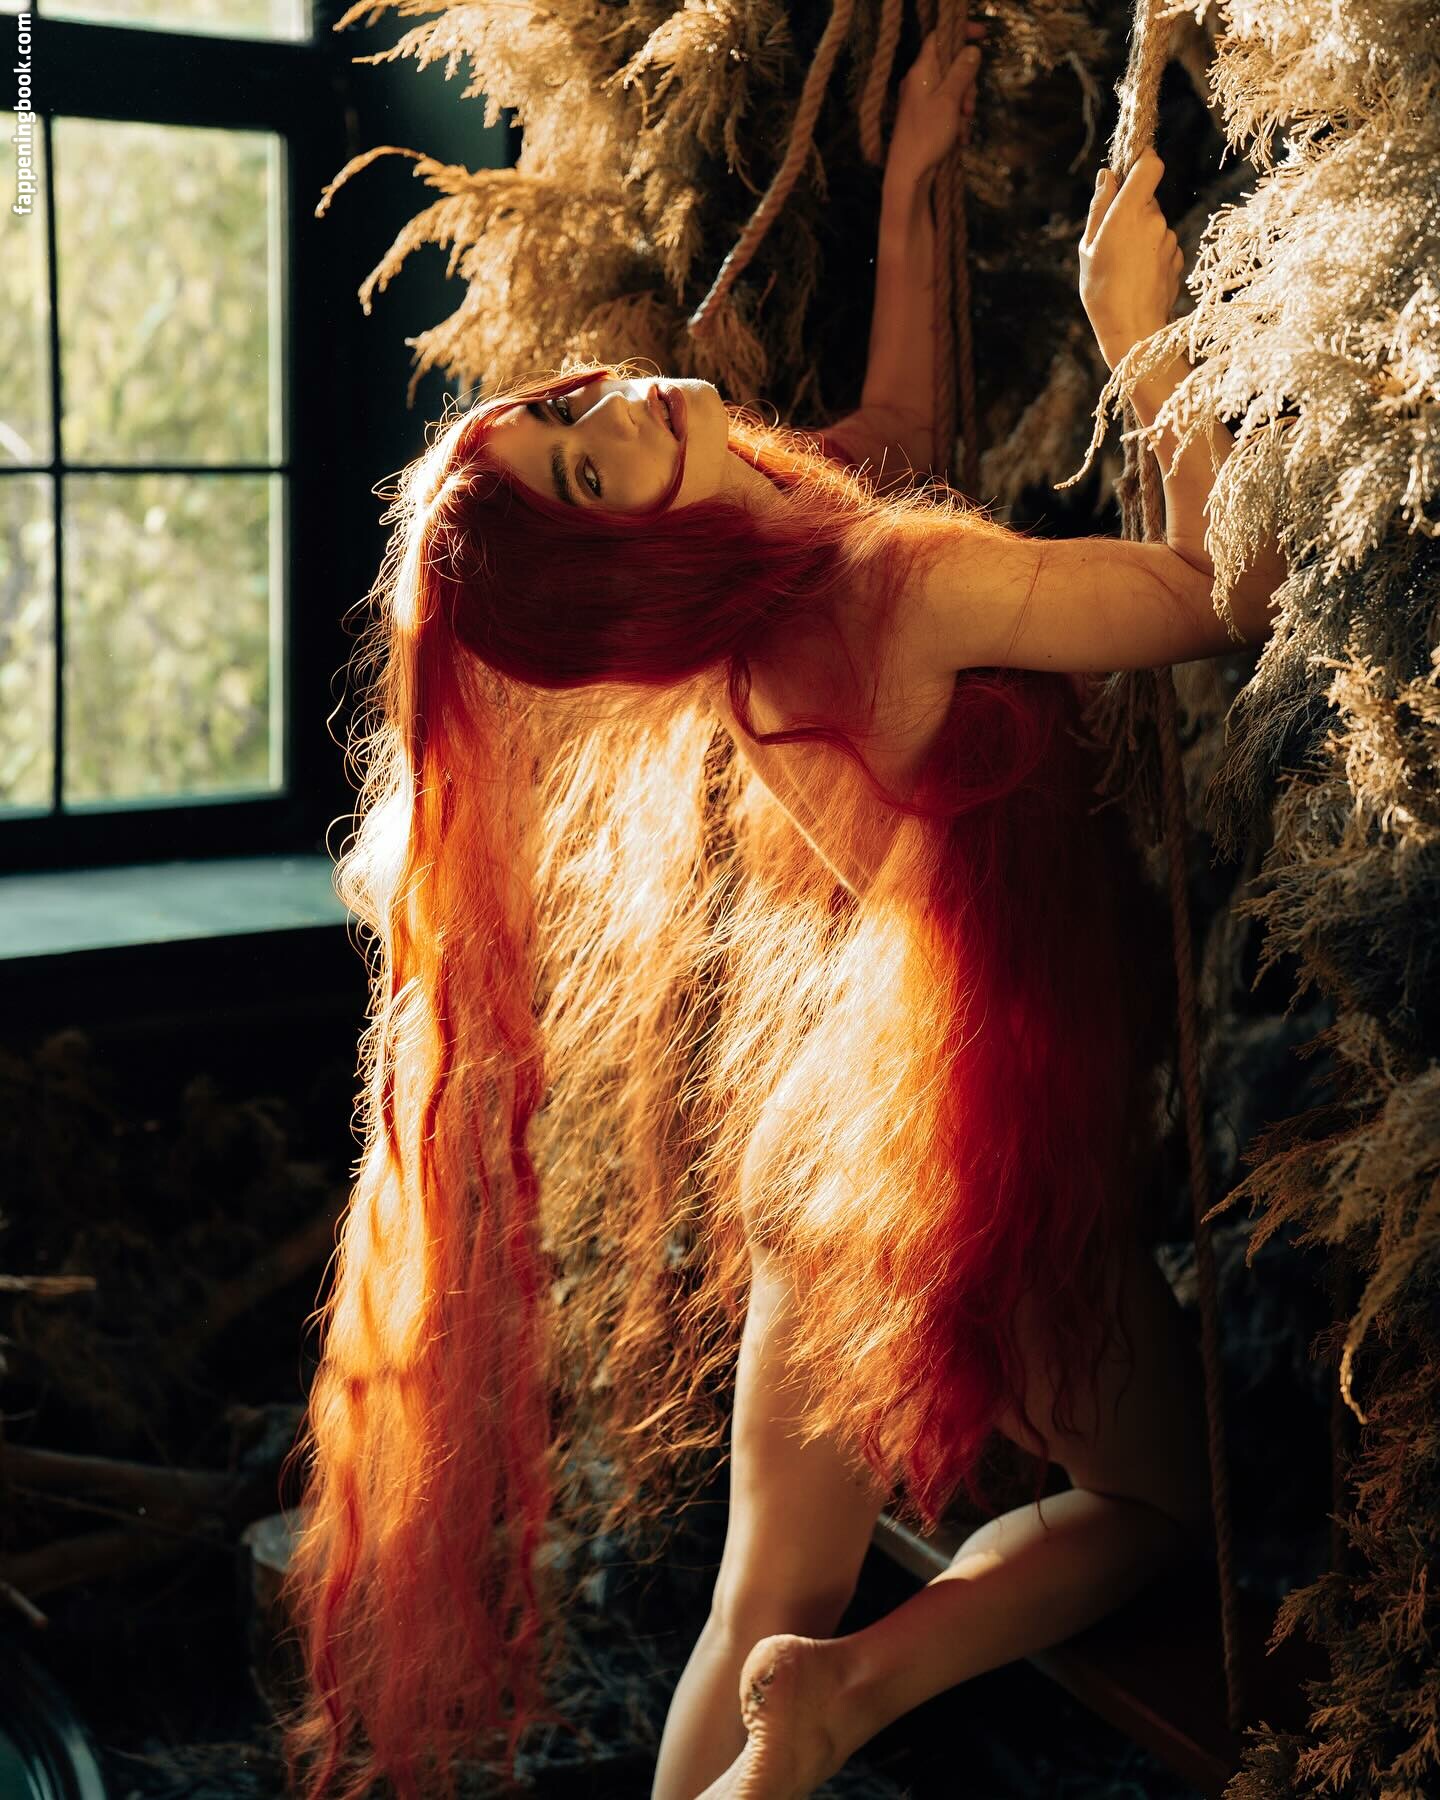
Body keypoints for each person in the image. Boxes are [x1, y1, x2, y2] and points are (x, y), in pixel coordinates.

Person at [279, 31, 1287, 1800]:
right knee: (1163, 1506)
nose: (619, 410)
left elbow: (894, 440)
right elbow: (1225, 593)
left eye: (562, 410)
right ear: (630, 567)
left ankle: (776, 1704)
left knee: (763, 1583)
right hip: (960, 1156)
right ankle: (854, 1692)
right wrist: (1142, 330)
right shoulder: (901, 588)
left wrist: (912, 189)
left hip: (830, 1149)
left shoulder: (776, 589)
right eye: (591, 471)